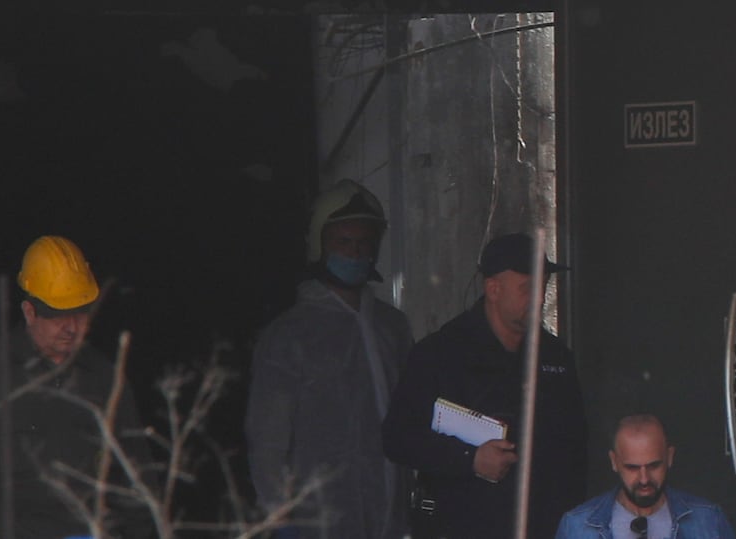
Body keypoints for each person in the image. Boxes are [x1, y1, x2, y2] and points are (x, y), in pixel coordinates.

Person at [0, 234, 155, 539]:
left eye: (80, 314)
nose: (71, 327)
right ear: (30, 312)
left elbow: (136, 478)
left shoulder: (104, 377)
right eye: (58, 316)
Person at [382, 232, 586, 539]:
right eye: (527, 287)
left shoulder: (557, 358)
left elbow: (575, 452)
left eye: (543, 286)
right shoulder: (441, 354)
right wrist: (470, 460)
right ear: (493, 289)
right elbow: (398, 438)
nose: (539, 298)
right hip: (461, 525)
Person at [245, 180, 414, 538]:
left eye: (364, 242)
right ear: (320, 246)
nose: (355, 253)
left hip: (388, 519)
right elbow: (268, 440)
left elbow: (410, 420)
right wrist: (280, 516)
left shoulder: (392, 327)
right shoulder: (289, 336)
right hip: (316, 523)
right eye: (343, 242)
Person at [555, 414, 735, 539]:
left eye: (654, 466)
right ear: (614, 462)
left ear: (670, 457)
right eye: (632, 468)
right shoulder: (577, 526)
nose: (644, 479)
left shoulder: (709, 520)